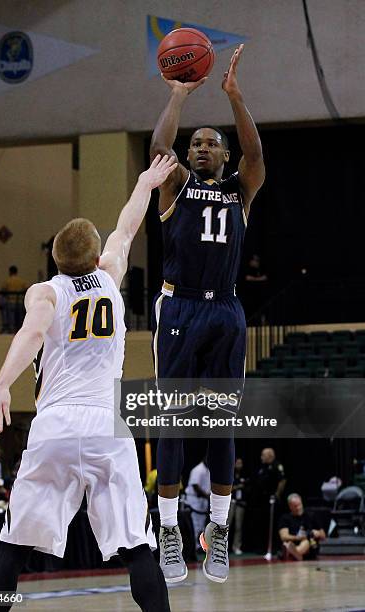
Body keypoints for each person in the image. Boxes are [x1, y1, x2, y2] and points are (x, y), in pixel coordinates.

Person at [0, 154, 176, 612]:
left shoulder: (45, 291)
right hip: (107, 423)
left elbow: (31, 333)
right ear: (95, 254)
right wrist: (144, 183)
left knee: (12, 551)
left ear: (55, 258)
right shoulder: (111, 275)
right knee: (136, 548)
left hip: (55, 426)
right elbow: (127, 228)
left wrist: (2, 383)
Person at [150, 44, 265, 583]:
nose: (199, 147)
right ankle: (169, 531)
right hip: (179, 307)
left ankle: (216, 532)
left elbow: (257, 157)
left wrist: (235, 100)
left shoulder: (242, 191)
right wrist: (177, 96)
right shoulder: (174, 187)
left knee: (222, 423)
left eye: (209, 143)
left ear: (223, 156)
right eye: (194, 142)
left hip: (225, 312)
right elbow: (157, 147)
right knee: (172, 422)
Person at [251, 448, 286, 554]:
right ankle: (263, 548)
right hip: (262, 500)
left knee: (273, 524)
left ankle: (275, 547)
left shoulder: (277, 466)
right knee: (262, 524)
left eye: (263, 455)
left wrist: (277, 495)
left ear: (270, 455)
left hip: (272, 499)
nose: (262, 457)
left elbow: (282, 480)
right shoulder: (262, 468)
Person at [279, 493, 326, 560]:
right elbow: (284, 537)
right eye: (295, 506)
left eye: (299, 505)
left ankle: (291, 552)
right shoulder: (285, 518)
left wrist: (317, 533)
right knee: (288, 543)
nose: (298, 508)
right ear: (290, 506)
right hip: (294, 542)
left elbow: (323, 535)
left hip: (311, 546)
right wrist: (298, 538)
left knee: (306, 541)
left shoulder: (311, 515)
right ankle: (296, 554)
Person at [185, 460, 211, 549]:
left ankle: (198, 546)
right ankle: (194, 547)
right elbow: (195, 486)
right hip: (194, 500)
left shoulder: (208, 470)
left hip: (202, 502)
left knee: (201, 525)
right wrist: (207, 495)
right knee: (195, 525)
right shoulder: (198, 469)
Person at [227, 457, 248, 555]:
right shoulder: (230, 474)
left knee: (238, 526)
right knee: (228, 524)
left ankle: (236, 546)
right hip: (231, 502)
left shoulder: (245, 475)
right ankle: (223, 546)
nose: (239, 465)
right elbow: (227, 488)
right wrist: (236, 487)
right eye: (238, 463)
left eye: (241, 463)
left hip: (240, 503)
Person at [1, 266, 28, 333]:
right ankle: (19, 330)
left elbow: (3, 290)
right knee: (19, 317)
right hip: (19, 301)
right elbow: (26, 288)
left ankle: (11, 330)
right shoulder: (21, 281)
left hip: (10, 301)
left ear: (10, 272)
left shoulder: (7, 281)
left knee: (11, 317)